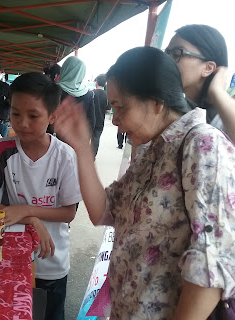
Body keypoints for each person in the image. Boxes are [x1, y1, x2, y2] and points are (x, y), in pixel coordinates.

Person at [54, 46, 235, 320]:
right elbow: (103, 210)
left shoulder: (203, 144)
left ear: (156, 102)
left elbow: (212, 263)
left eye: (120, 107)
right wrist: (81, 147)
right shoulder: (152, 152)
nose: (115, 120)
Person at [0, 72, 82, 320]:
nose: (22, 123)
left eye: (33, 116)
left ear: (52, 116)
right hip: (11, 261)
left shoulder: (65, 156)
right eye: (15, 114)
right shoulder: (2, 150)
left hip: (51, 261)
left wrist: (25, 210)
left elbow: (69, 212)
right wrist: (30, 219)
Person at [165, 24, 235, 142]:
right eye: (167, 53)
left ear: (208, 68)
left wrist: (216, 91)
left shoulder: (221, 120)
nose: (167, 61)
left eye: (177, 54)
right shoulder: (172, 109)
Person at [58, 56, 95, 134]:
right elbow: (91, 120)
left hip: (53, 141)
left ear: (64, 69)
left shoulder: (52, 89)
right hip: (75, 140)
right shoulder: (87, 94)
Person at [92, 74, 108, 157]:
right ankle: (92, 157)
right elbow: (108, 110)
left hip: (90, 120)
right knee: (96, 139)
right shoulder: (107, 95)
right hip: (100, 121)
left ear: (96, 82)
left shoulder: (91, 93)